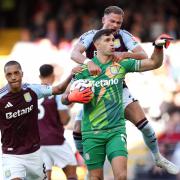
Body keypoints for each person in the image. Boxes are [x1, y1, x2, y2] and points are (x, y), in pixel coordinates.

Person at [71, 5, 178, 174]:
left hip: (116, 87)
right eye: (112, 21)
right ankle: (88, 166)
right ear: (103, 20)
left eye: (118, 23)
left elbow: (144, 56)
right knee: (77, 130)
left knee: (144, 124)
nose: (115, 25)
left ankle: (158, 157)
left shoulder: (124, 36)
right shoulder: (91, 36)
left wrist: (126, 54)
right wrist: (88, 62)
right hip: (94, 90)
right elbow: (74, 54)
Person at [0, 60, 85, 180]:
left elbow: (59, 89)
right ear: (5, 76)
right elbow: (64, 119)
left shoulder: (32, 90)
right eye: (9, 74)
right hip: (12, 155)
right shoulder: (1, 97)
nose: (13, 77)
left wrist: (72, 74)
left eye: (16, 73)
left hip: (34, 153)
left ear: (22, 73)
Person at [38, 64, 77, 180]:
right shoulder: (56, 93)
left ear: (40, 76)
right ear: (53, 76)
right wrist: (69, 109)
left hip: (38, 143)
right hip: (55, 140)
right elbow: (64, 120)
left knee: (45, 178)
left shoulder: (33, 94)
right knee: (72, 175)